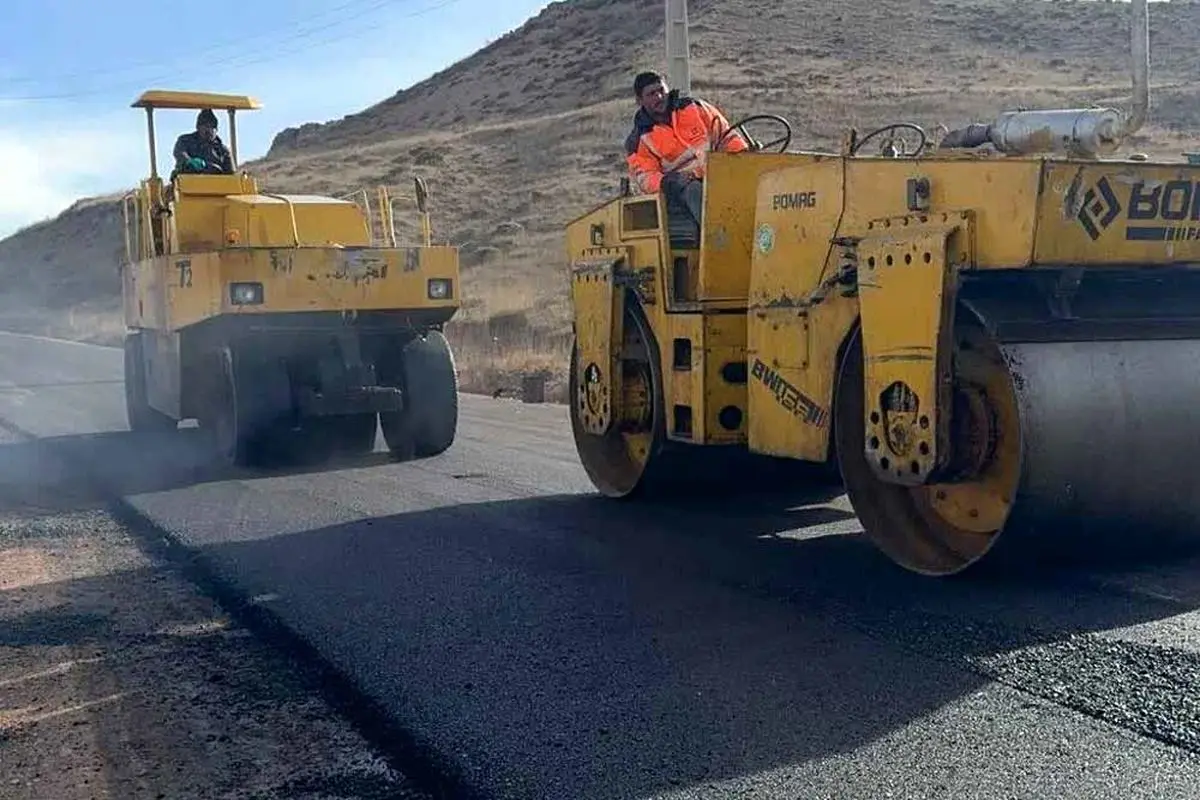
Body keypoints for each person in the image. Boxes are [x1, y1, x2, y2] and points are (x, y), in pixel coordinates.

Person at [623, 71, 748, 237]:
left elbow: (726, 136)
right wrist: (668, 182)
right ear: (640, 100)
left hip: (718, 173)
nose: (659, 96)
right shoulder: (639, 140)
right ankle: (719, 238)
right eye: (651, 94)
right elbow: (646, 177)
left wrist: (743, 156)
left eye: (661, 90)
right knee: (695, 191)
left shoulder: (696, 108)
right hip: (680, 190)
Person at [172, 109, 234, 176]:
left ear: (217, 129)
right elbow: (179, 152)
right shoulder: (185, 141)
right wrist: (189, 160)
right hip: (188, 182)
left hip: (215, 184)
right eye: (205, 126)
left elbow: (231, 173)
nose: (209, 130)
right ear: (198, 127)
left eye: (212, 127)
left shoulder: (223, 150)